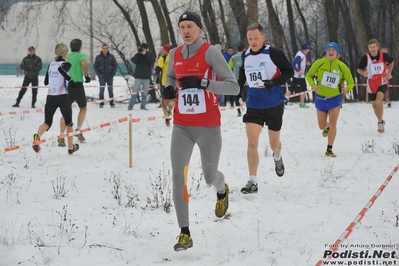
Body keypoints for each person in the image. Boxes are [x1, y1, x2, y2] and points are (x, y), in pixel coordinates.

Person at [163, 10, 239, 251]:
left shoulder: (211, 52)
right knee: (178, 175)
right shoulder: (174, 54)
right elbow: (170, 80)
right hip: (182, 126)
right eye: (182, 27)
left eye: (190, 27)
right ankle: (184, 232)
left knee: (209, 177)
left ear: (199, 29)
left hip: (208, 127)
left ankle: (221, 188)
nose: (185, 31)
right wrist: (167, 91)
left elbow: (234, 87)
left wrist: (204, 83)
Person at [238, 23, 294, 194]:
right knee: (251, 141)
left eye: (256, 38)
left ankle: (277, 157)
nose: (253, 42)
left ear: (263, 38)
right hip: (254, 103)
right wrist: (239, 90)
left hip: (274, 103)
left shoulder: (273, 53)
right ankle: (252, 181)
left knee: (274, 143)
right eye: (250, 39)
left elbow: (289, 71)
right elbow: (242, 74)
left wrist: (275, 82)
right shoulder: (245, 55)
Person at [306, 42, 354, 157]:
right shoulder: (319, 63)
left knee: (333, 123)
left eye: (333, 50)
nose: (331, 52)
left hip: (335, 98)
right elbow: (308, 75)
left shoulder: (342, 66)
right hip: (320, 98)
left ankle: (329, 149)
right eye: (329, 50)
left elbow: (351, 82)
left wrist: (347, 89)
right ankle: (326, 127)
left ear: (337, 53)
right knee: (322, 126)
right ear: (326, 52)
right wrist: (313, 85)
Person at [32, 43, 79, 155]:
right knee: (69, 123)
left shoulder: (51, 65)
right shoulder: (66, 64)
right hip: (63, 97)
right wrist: (71, 80)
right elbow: (62, 71)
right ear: (64, 53)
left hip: (50, 97)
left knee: (47, 122)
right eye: (66, 52)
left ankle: (37, 137)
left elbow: (46, 82)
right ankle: (71, 148)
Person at [357, 39, 394, 133]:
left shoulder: (383, 55)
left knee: (379, 101)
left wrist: (389, 72)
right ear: (368, 48)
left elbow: (392, 61)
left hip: (382, 81)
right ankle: (381, 120)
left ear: (377, 47)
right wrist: (363, 73)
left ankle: (379, 124)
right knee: (374, 106)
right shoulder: (365, 57)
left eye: (374, 47)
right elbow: (358, 69)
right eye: (370, 47)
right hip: (371, 83)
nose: (372, 49)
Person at [58, 39, 91, 147]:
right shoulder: (81, 56)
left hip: (67, 86)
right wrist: (86, 75)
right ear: (80, 47)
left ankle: (61, 136)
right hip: (77, 85)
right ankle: (78, 130)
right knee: (83, 107)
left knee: (65, 111)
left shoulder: (66, 56)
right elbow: (84, 63)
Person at [128, 43, 155, 110]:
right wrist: (139, 53)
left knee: (145, 93)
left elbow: (152, 61)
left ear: (146, 49)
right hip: (138, 76)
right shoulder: (138, 55)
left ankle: (143, 106)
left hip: (146, 77)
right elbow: (133, 60)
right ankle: (130, 106)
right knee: (134, 91)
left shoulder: (149, 55)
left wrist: (145, 54)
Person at [285, 43, 311, 108]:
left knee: (291, 88)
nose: (308, 51)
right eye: (308, 49)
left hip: (296, 75)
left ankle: (284, 101)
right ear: (304, 50)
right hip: (299, 76)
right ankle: (302, 103)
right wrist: (298, 70)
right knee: (304, 89)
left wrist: (305, 63)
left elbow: (299, 63)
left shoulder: (300, 54)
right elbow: (293, 64)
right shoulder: (300, 55)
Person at [154, 44, 173, 126]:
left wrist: (156, 80)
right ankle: (168, 115)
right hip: (173, 83)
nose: (161, 51)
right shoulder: (174, 57)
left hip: (164, 83)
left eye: (162, 50)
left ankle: (167, 117)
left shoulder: (162, 58)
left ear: (166, 51)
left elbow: (157, 70)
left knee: (165, 102)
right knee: (171, 101)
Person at [94, 43, 118, 108]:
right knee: (101, 90)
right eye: (104, 48)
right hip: (102, 76)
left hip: (110, 76)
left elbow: (115, 66)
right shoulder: (98, 57)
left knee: (110, 90)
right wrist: (99, 74)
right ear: (102, 49)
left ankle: (112, 103)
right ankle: (101, 103)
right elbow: (95, 66)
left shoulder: (111, 57)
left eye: (106, 48)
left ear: (108, 49)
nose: (105, 49)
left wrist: (112, 74)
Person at [228, 42, 246, 116]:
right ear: (244, 49)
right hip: (246, 80)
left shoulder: (233, 57)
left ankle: (238, 111)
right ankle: (248, 109)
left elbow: (228, 68)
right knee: (247, 95)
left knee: (237, 95)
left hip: (236, 79)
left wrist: (233, 72)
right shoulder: (247, 56)